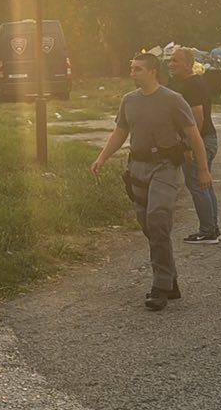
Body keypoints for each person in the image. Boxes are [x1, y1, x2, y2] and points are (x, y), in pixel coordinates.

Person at [91, 53, 213, 311]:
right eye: (131, 68)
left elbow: (194, 134)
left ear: (153, 72)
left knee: (158, 218)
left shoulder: (173, 100)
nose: (132, 73)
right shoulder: (129, 101)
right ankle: (170, 280)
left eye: (137, 69)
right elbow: (120, 132)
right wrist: (102, 157)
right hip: (137, 168)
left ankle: (159, 287)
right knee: (148, 226)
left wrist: (203, 170)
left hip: (165, 167)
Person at [167, 45, 220, 244]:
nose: (171, 64)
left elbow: (197, 116)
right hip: (206, 140)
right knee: (204, 185)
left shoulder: (193, 84)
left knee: (197, 185)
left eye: (176, 61)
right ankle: (212, 228)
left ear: (189, 65)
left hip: (202, 141)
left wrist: (190, 145)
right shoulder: (184, 82)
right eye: (170, 60)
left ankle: (208, 231)